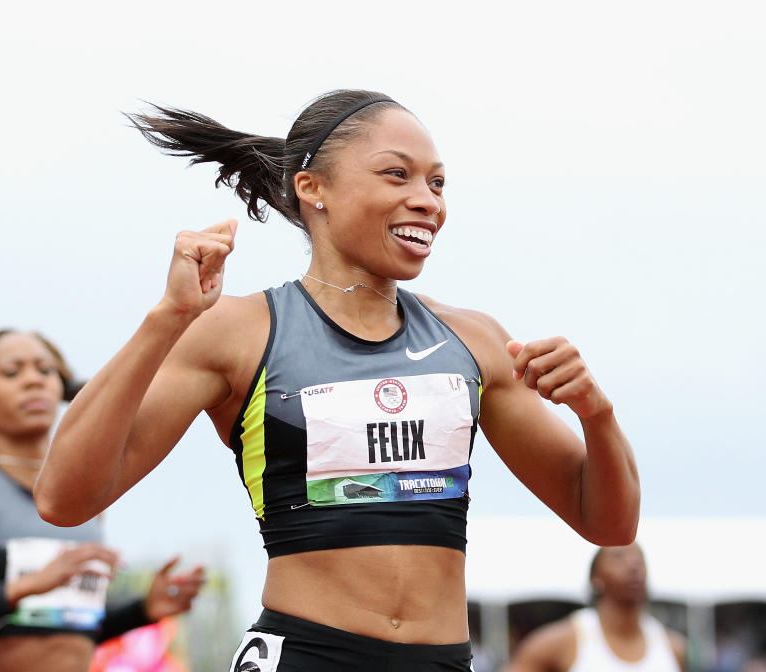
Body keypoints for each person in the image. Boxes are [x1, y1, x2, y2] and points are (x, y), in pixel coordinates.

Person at [34, 89, 640, 672]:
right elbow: (64, 499)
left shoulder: (475, 342)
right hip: (304, 654)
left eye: (437, 181)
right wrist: (165, 321)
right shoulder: (239, 332)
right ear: (312, 188)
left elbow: (609, 524)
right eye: (396, 175)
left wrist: (597, 414)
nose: (428, 200)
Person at [0, 330, 205, 671]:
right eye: (12, 372)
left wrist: (142, 610)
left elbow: (64, 633)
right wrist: (25, 587)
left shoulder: (84, 494)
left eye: (45, 370)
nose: (33, 380)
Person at [504, 543, 686, 672]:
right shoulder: (563, 641)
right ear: (595, 577)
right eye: (618, 557)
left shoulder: (672, 647)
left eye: (639, 558)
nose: (633, 565)